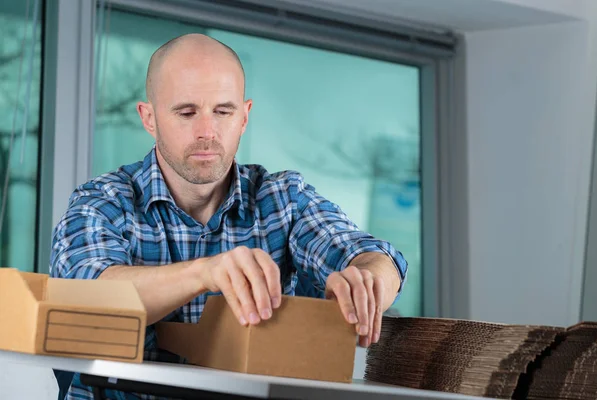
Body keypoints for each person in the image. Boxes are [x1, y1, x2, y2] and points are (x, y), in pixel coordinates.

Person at [50, 33, 407, 399]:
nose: (207, 132)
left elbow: (378, 257)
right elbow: (86, 297)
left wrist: (368, 280)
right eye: (186, 112)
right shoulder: (101, 202)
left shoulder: (283, 199)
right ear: (149, 118)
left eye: (223, 111)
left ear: (245, 116)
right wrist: (205, 272)